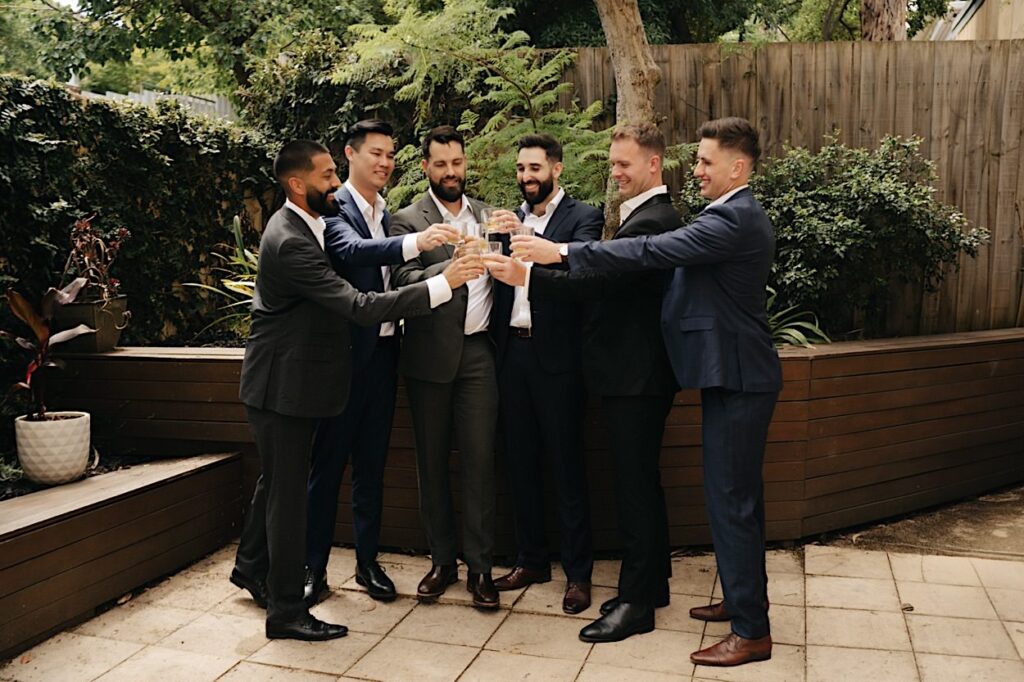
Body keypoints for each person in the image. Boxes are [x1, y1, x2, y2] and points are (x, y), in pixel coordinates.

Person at [509, 117, 781, 667]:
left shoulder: (734, 218)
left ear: (739, 167)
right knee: (733, 500)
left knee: (732, 502)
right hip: (726, 373)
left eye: (706, 161)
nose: (696, 169)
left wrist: (559, 254)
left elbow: (648, 253)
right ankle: (740, 599)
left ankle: (751, 631)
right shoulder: (725, 213)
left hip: (740, 374)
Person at [230, 139, 481, 641]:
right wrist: (444, 282)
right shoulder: (291, 240)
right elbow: (361, 306)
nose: (335, 185)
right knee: (287, 499)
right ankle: (285, 611)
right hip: (283, 386)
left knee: (276, 484)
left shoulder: (312, 223)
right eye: (327, 176)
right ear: (298, 184)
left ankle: (249, 568)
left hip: (293, 381)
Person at [486, 123, 678, 642]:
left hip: (613, 370)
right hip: (534, 360)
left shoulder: (630, 218)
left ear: (653, 164)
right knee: (629, 484)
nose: (615, 173)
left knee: (618, 484)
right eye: (613, 164)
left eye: (623, 165)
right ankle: (644, 584)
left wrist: (533, 263)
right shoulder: (638, 214)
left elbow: (593, 279)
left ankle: (622, 595)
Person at [304, 120, 458, 606]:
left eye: (391, 154)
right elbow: (350, 252)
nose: (385, 162)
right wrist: (418, 242)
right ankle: (314, 569)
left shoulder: (385, 210)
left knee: (372, 466)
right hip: (345, 359)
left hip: (387, 355)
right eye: (376, 153)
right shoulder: (336, 206)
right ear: (350, 154)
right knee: (327, 469)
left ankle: (368, 564)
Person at [487, 134, 602, 614]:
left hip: (559, 361)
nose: (526, 177)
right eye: (520, 169)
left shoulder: (583, 217)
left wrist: (535, 250)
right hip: (513, 355)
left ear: (556, 169)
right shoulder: (509, 220)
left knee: (567, 466)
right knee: (520, 462)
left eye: (535, 168)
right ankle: (531, 559)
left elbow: (584, 282)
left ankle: (578, 575)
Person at [389, 125, 500, 609]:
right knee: (431, 464)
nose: (451, 172)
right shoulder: (406, 220)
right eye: (441, 164)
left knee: (480, 463)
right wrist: (446, 270)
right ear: (425, 167)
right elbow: (399, 280)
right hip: (428, 358)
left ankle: (481, 570)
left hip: (480, 354)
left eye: (457, 163)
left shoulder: (490, 215)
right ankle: (441, 563)